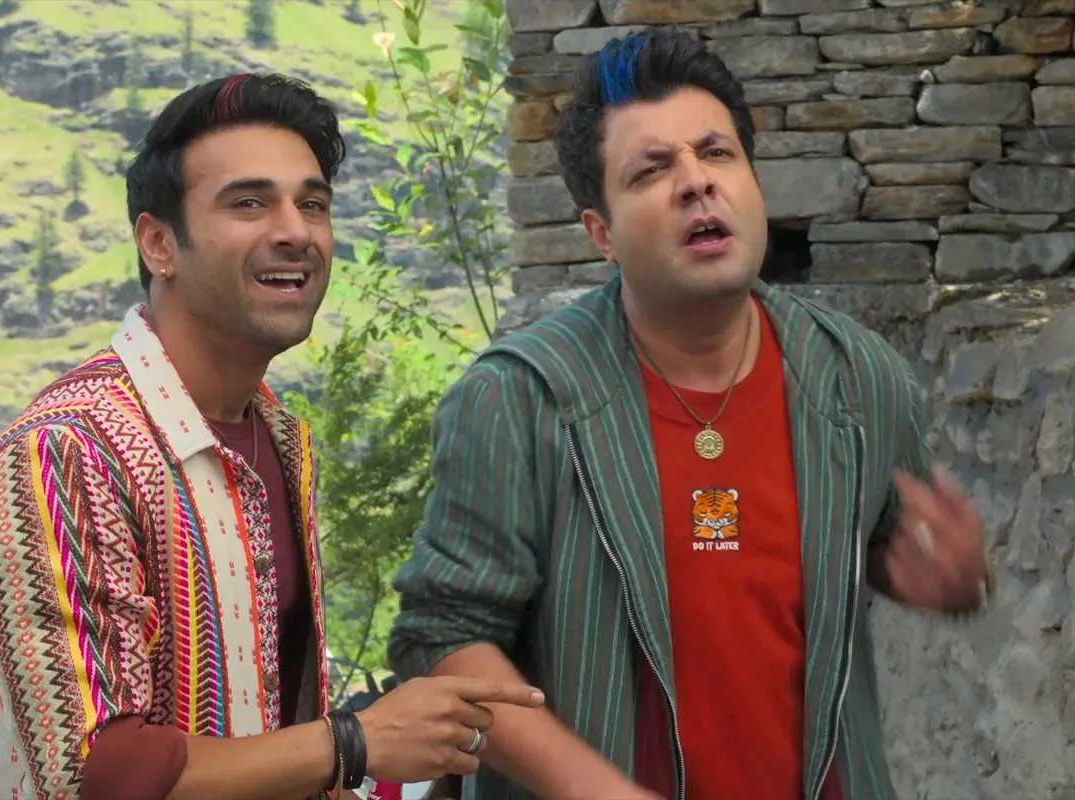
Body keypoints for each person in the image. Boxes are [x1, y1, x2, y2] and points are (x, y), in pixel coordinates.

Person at [386, 29, 993, 800]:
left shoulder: (857, 379)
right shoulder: (520, 400)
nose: (696, 183)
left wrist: (950, 580)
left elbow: (880, 549)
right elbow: (443, 636)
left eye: (717, 153)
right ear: (602, 233)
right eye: (651, 170)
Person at [0, 73, 544, 800]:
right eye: (250, 203)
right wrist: (356, 742)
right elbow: (95, 772)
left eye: (313, 204)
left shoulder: (279, 439)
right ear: (159, 244)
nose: (295, 231)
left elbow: (272, 729)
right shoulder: (66, 453)